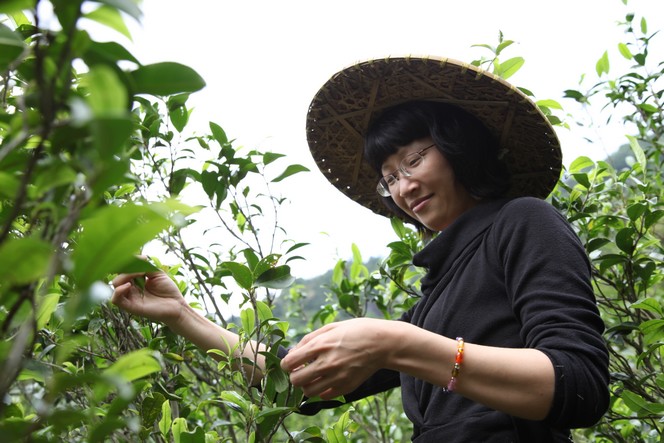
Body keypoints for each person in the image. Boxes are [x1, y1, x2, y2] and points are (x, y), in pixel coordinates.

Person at [111, 56, 610, 442]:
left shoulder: (523, 221)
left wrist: (398, 344)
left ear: (460, 146)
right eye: (389, 178)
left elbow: (579, 383)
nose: (403, 186)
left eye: (414, 159)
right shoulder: (433, 298)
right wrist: (181, 315)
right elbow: (297, 380)